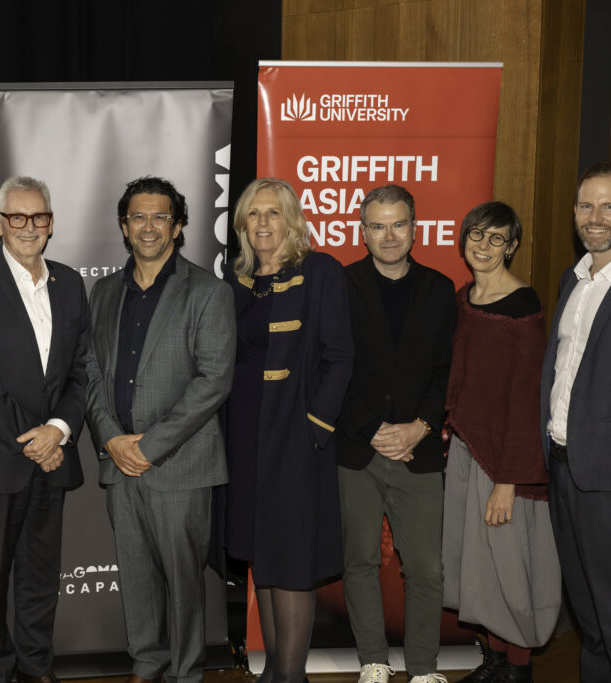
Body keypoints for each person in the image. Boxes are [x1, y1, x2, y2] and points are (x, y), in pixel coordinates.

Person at [86, 176, 235, 683]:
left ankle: (186, 673)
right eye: (138, 217)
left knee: (183, 582)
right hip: (119, 461)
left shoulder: (209, 292)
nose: (148, 227)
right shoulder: (104, 292)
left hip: (180, 464)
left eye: (160, 217)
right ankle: (147, 666)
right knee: (137, 579)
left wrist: (149, 447)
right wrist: (110, 437)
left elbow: (213, 381)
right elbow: (90, 371)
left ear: (177, 227)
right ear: (124, 226)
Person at [0, 177, 89, 683]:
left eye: (39, 217)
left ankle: (36, 668)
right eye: (17, 217)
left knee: (40, 579)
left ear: (51, 222)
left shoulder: (69, 283)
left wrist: (59, 430)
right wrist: (37, 440)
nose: (29, 227)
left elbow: (81, 370)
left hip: (52, 456)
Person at [221, 178, 353, 683]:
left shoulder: (320, 271)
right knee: (265, 553)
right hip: (244, 435)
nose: (262, 223)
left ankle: (291, 675)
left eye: (273, 213)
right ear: (242, 223)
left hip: (296, 434)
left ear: (291, 220)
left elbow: (340, 356)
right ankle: (273, 671)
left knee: (292, 556)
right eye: (254, 214)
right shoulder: (235, 279)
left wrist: (315, 428)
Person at [336, 185, 456, 683]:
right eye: (378, 226)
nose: (389, 236)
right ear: (363, 232)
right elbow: (329, 367)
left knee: (426, 568)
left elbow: (447, 370)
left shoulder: (440, 288)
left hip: (419, 450)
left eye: (398, 224)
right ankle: (373, 661)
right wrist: (373, 429)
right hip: (356, 450)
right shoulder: (340, 286)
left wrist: (419, 427)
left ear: (415, 228)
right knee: (359, 562)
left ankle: (424, 668)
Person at [541, 162, 611, 681]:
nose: (596, 216)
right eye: (586, 205)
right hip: (564, 470)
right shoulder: (574, 279)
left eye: (610, 206)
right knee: (589, 618)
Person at [442, 201, 560, 683]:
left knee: (510, 567)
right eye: (477, 234)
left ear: (511, 247)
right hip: (467, 450)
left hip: (504, 462)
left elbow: (527, 398)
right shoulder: (463, 298)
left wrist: (508, 481)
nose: (484, 246)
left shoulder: (522, 308)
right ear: (463, 239)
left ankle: (517, 669)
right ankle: (493, 661)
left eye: (497, 238)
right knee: (479, 565)